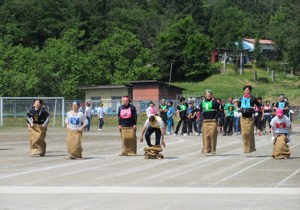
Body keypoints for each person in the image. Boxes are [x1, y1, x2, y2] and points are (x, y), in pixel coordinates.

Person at [239, 85, 260, 153]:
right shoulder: (241, 98)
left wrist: (257, 112)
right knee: (244, 134)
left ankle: (251, 148)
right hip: (243, 117)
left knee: (249, 133)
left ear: (250, 91)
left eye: (248, 90)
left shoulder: (253, 98)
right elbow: (239, 105)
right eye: (245, 90)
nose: (246, 91)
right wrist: (238, 110)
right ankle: (245, 149)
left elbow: (259, 105)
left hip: (250, 117)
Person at [198, 90, 220, 154]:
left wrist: (215, 118)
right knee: (206, 136)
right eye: (207, 94)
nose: (208, 95)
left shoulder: (214, 102)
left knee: (213, 135)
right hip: (205, 121)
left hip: (213, 121)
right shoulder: (202, 102)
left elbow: (220, 110)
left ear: (211, 95)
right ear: (205, 95)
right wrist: (202, 119)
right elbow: (200, 111)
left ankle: (213, 149)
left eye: (209, 94)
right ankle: (206, 149)